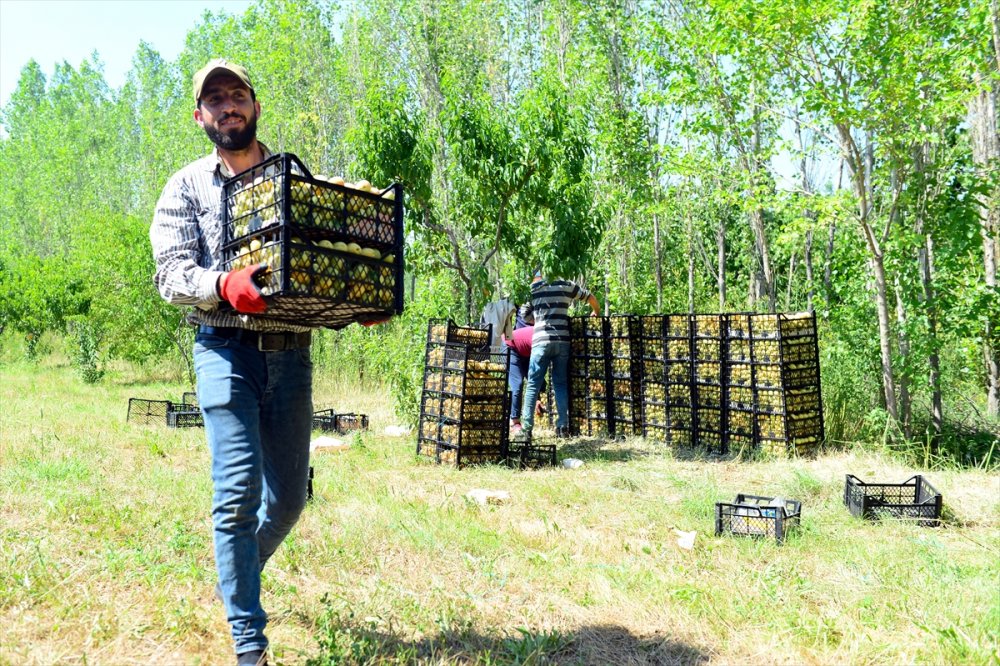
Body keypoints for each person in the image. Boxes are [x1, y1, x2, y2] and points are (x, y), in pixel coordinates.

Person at [150, 59, 312, 666]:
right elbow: (170, 274)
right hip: (224, 350)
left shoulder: (294, 178)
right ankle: (250, 646)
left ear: (256, 105)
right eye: (214, 99)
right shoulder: (185, 186)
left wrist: (354, 305)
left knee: (289, 501)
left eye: (236, 94)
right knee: (237, 494)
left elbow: (319, 257)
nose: (227, 106)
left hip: (292, 354)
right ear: (200, 117)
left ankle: (237, 566)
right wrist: (222, 283)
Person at [518, 270, 600, 440]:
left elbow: (524, 314)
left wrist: (539, 319)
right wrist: (596, 313)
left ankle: (526, 430)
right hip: (562, 342)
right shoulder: (567, 285)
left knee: (533, 385)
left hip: (541, 342)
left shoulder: (535, 287)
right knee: (560, 384)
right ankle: (562, 426)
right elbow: (590, 297)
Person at [502, 304, 546, 433]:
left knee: (539, 380)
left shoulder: (545, 337)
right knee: (518, 383)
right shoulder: (541, 340)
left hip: (524, 351)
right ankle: (514, 421)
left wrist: (538, 397)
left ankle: (538, 405)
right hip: (510, 346)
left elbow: (537, 375)